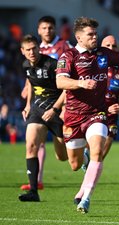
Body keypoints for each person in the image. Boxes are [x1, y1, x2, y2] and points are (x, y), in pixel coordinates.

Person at [56, 17, 119, 214]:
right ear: (79, 37)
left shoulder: (104, 54)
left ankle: (86, 198)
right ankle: (85, 164)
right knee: (75, 164)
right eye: (90, 34)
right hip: (74, 116)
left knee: (97, 152)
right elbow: (60, 82)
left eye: (95, 33)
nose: (95, 37)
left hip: (97, 113)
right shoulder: (68, 56)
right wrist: (80, 83)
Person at [20, 16, 72, 191]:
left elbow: (67, 83)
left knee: (63, 157)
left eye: (50, 27)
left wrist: (59, 108)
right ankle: (34, 187)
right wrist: (28, 104)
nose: (32, 52)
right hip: (38, 107)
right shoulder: (26, 64)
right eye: (44, 28)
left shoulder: (62, 51)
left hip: (58, 106)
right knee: (33, 144)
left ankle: (81, 153)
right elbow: (32, 82)